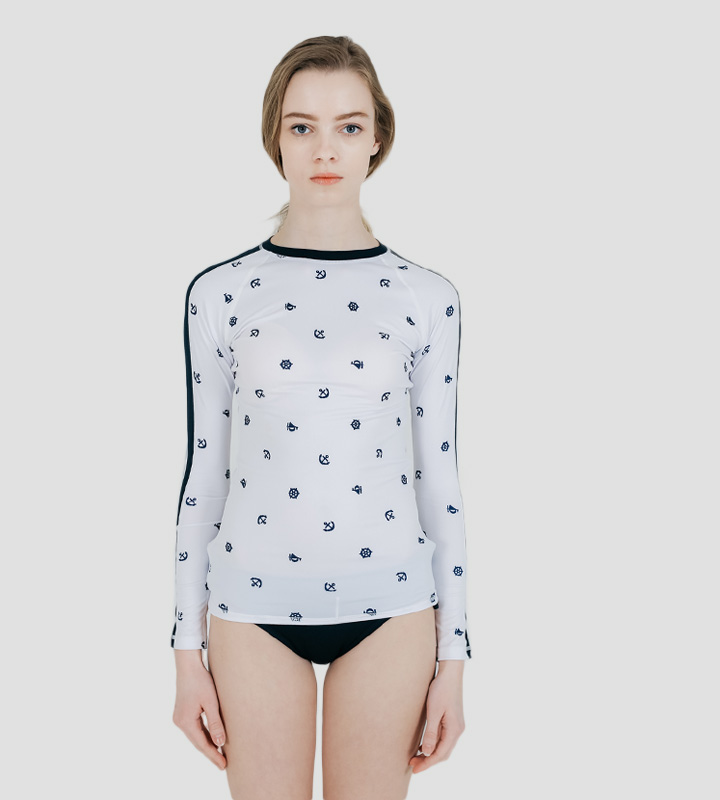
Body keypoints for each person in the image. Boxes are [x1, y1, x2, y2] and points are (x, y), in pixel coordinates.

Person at [171, 35, 470, 800]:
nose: (325, 148)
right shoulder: (221, 294)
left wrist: (455, 660)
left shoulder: (427, 298)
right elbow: (204, 476)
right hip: (251, 607)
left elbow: (440, 481)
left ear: (377, 139)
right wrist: (184, 653)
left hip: (393, 608)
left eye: (348, 125)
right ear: (275, 137)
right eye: (302, 125)